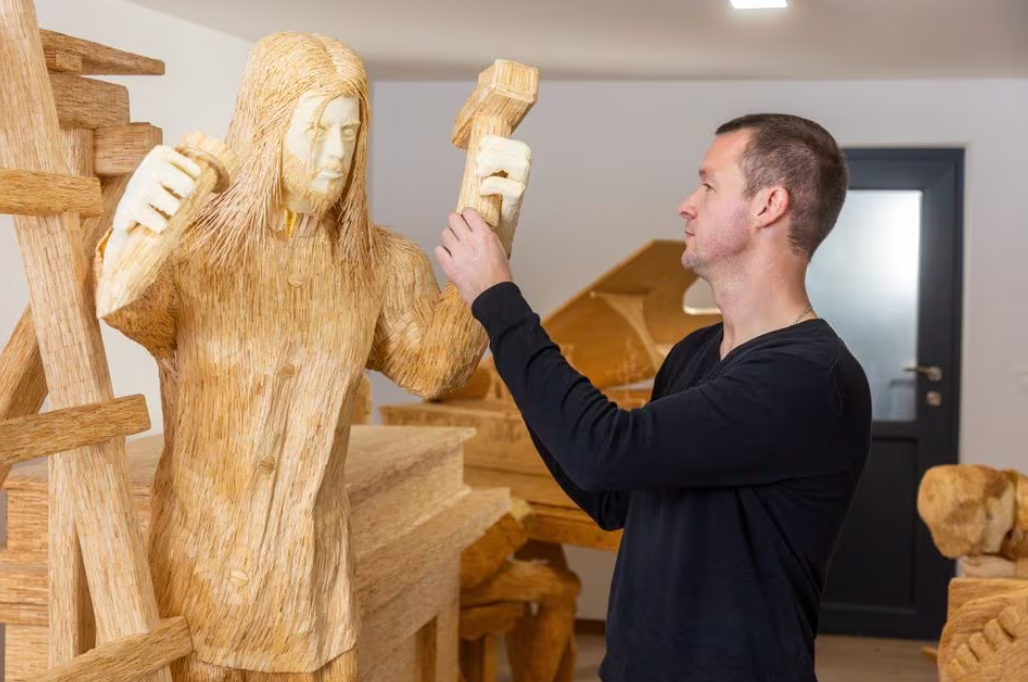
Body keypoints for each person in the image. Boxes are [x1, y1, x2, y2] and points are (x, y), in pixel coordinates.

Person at [94, 31, 531, 682]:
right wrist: (131, 234)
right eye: (315, 130)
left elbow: (436, 367)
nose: (335, 153)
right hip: (201, 587)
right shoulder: (195, 253)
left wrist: (496, 226)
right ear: (265, 128)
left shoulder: (381, 263)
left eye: (348, 132)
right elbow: (123, 302)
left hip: (313, 599)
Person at [436, 113, 872, 681]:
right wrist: (525, 381)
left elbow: (605, 449)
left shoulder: (811, 378)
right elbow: (611, 494)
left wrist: (497, 299)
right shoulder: (696, 353)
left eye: (709, 185)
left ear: (769, 205)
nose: (686, 204)